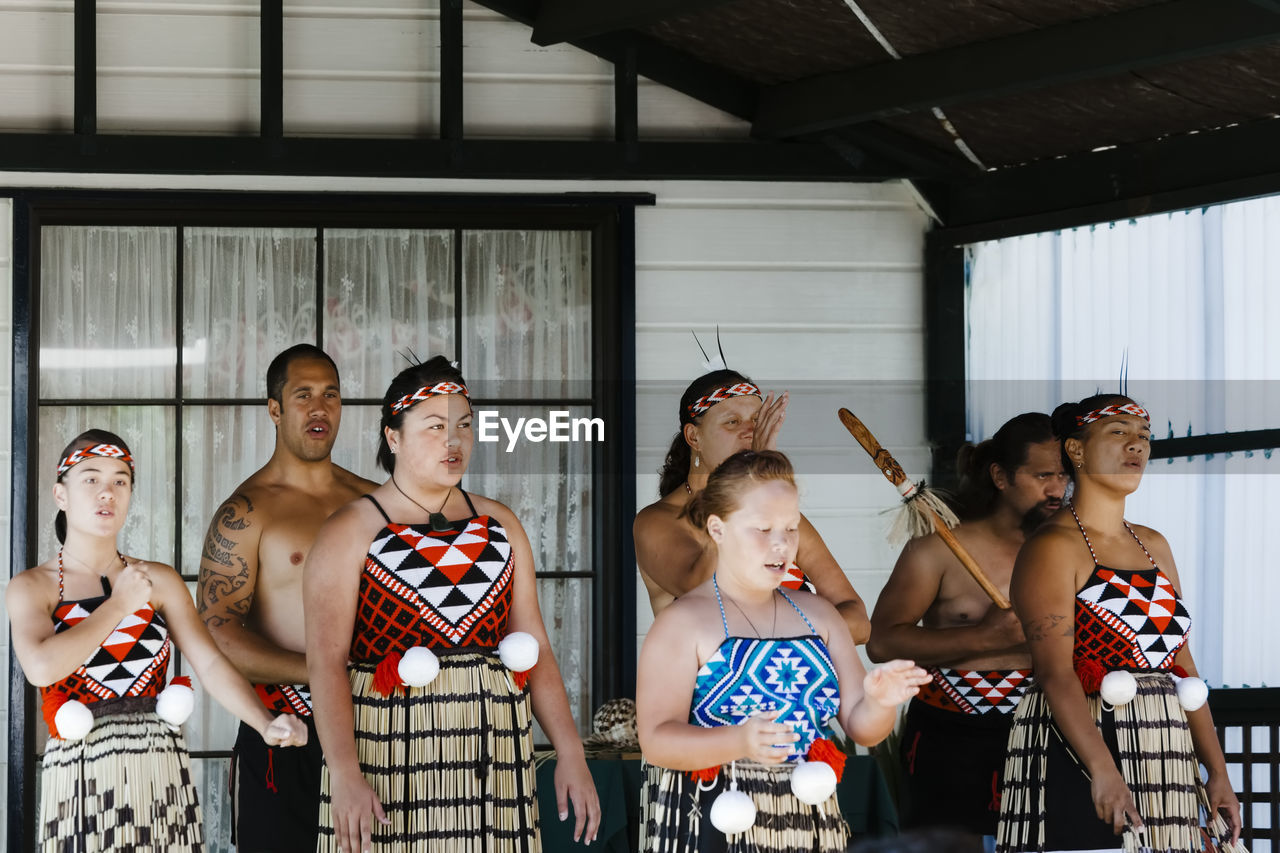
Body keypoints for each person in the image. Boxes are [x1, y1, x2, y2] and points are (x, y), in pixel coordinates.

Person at [305, 356, 601, 853]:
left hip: (494, 752)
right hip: (390, 753)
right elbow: (326, 662)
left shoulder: (499, 523)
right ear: (393, 437)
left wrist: (570, 751)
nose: (454, 441)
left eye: (464, 425)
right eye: (435, 427)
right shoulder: (352, 529)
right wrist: (345, 774)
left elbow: (536, 648)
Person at [6, 429, 308, 852]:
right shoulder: (32, 587)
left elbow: (210, 663)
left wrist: (264, 722)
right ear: (61, 494)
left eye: (120, 481)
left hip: (157, 763)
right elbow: (41, 668)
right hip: (80, 771)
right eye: (90, 479)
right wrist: (118, 604)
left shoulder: (159, 579)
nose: (106, 492)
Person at [637, 449, 929, 852]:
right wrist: (740, 741)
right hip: (709, 817)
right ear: (717, 530)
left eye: (791, 529)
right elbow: (656, 740)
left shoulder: (821, 616)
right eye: (762, 530)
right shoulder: (684, 623)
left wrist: (880, 702)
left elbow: (862, 726)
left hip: (809, 819)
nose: (782, 545)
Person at [997, 395, 1243, 852]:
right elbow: (1055, 672)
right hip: (1083, 749)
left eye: (1144, 437)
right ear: (1076, 450)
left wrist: (1218, 772)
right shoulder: (1052, 547)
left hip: (1164, 749)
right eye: (1119, 433)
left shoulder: (1155, 544)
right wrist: (1104, 771)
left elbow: (1182, 664)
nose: (1137, 447)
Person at [197, 344, 377, 852]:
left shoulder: (375, 503)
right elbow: (216, 636)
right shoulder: (247, 512)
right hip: (283, 727)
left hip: (375, 724)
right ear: (274, 409)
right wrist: (321, 671)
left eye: (331, 395)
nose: (319, 408)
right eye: (303, 395)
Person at [867, 413, 1066, 843]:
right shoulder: (935, 551)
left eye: (1064, 476)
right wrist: (982, 637)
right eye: (1044, 475)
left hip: (1043, 728)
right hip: (947, 735)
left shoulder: (1070, 551)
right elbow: (882, 642)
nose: (1057, 488)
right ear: (1000, 476)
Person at [634, 369, 871, 643]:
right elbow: (712, 594)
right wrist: (749, 480)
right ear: (693, 437)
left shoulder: (783, 517)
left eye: (756, 421)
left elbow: (858, 622)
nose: (749, 432)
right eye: (732, 422)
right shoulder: (657, 521)